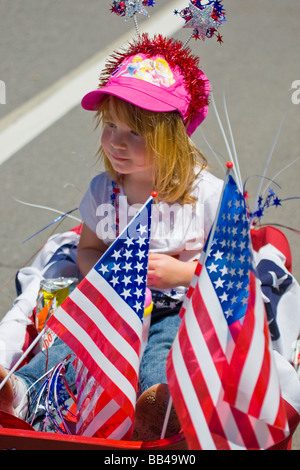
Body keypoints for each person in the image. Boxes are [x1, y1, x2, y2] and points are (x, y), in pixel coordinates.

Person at [0, 34, 223, 439]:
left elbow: (226, 270)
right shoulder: (106, 190)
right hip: (113, 299)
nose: (116, 142)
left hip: (176, 305)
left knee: (165, 350)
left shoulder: (205, 194)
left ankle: (157, 409)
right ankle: (21, 390)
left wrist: (180, 272)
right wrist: (104, 273)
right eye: (110, 126)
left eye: (135, 133)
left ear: (172, 138)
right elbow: (87, 248)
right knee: (74, 340)